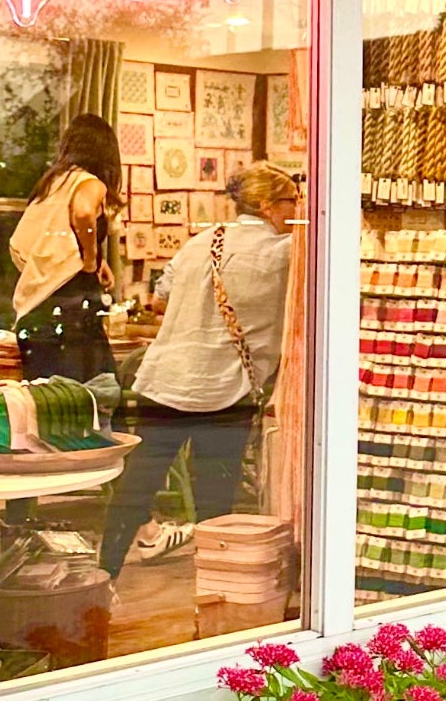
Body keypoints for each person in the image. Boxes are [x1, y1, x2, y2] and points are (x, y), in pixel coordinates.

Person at [100, 161, 300, 579]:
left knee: (135, 490)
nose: (295, 210)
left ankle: (104, 579)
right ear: (266, 205)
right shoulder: (288, 252)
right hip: (227, 389)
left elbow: (160, 298)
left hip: (165, 381)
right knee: (216, 499)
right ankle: (215, 591)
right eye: (290, 201)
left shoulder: (202, 241)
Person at [9, 114, 122, 384]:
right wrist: (91, 259)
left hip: (36, 311)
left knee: (47, 406)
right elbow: (83, 213)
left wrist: (91, 260)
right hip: (72, 317)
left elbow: (22, 245)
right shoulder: (90, 183)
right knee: (95, 397)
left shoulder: (52, 183)